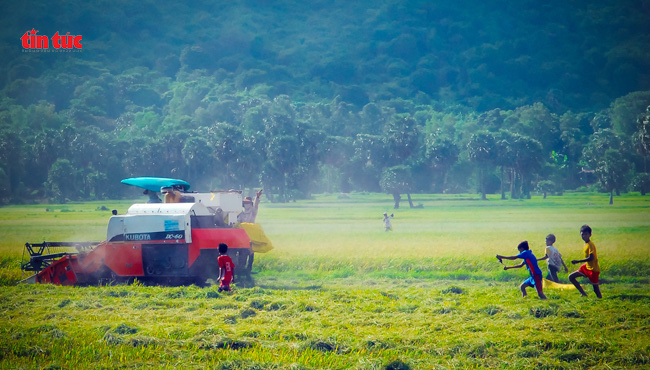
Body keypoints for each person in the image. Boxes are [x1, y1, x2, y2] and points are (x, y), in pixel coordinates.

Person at [569, 225, 602, 298]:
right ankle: (583, 294)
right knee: (571, 277)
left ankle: (600, 300)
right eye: (582, 234)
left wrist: (578, 261)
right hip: (586, 267)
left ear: (590, 234)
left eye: (586, 234)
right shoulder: (586, 244)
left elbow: (591, 258)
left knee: (596, 289)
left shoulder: (590, 244)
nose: (584, 236)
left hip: (593, 269)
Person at [237, 189, 263, 273]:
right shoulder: (241, 213)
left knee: (251, 253)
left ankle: (249, 269)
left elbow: (256, 205)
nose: (246, 204)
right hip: (242, 235)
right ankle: (241, 268)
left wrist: (257, 197)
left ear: (250, 204)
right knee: (242, 251)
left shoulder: (253, 211)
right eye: (245, 203)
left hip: (251, 235)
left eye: (248, 203)